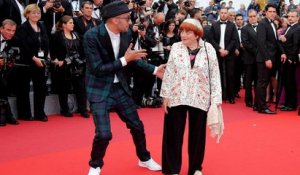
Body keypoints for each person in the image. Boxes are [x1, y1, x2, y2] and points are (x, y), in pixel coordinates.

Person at [83, 1, 164, 175]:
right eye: (127, 19)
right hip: (99, 89)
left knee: (137, 126)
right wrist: (124, 60)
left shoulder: (126, 35)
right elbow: (97, 68)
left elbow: (132, 60)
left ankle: (144, 159)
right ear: (114, 20)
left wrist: (155, 70)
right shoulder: (91, 36)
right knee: (104, 134)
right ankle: (95, 165)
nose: (130, 23)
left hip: (119, 87)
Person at [160, 18, 222, 175]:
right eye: (182, 31)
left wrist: (216, 100)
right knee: (173, 134)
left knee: (197, 136)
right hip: (177, 95)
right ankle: (171, 169)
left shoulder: (208, 49)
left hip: (200, 96)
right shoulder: (176, 47)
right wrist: (165, 95)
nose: (183, 35)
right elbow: (170, 72)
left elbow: (215, 75)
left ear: (197, 34)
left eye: (188, 32)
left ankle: (195, 168)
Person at [15, 4, 49, 121]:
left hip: (41, 62)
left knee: (41, 88)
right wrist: (34, 58)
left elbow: (46, 42)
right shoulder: (22, 28)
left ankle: (40, 113)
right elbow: (23, 46)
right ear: (27, 14)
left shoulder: (42, 26)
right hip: (27, 62)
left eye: (38, 13)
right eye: (33, 13)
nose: (36, 15)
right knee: (23, 89)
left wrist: (46, 55)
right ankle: (25, 114)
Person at [50, 15, 89, 118]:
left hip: (77, 66)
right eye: (70, 23)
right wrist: (56, 60)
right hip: (64, 66)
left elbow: (82, 50)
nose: (73, 24)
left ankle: (83, 109)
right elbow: (52, 51)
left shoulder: (76, 35)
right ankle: (65, 109)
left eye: (73, 22)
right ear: (63, 25)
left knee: (81, 88)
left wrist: (82, 60)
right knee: (64, 88)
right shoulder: (56, 36)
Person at [255, 3, 286, 114]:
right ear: (266, 12)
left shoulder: (272, 24)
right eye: (270, 12)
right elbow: (261, 43)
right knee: (262, 83)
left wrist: (282, 52)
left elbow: (275, 41)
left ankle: (259, 104)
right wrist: (267, 59)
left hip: (270, 58)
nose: (272, 13)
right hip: (264, 59)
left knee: (264, 82)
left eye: (274, 12)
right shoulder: (263, 24)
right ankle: (262, 107)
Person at [209, 7, 239, 104]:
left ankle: (231, 96)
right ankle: (220, 96)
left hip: (229, 53)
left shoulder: (232, 26)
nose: (223, 14)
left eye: (225, 13)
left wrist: (227, 50)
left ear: (227, 14)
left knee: (230, 74)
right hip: (217, 53)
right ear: (219, 13)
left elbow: (234, 40)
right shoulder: (214, 25)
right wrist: (219, 49)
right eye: (222, 13)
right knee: (218, 74)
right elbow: (211, 39)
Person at [278, 10, 300, 111]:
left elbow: (296, 45)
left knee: (290, 82)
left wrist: (291, 58)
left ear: (297, 18)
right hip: (285, 58)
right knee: (286, 82)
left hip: (291, 59)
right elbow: (286, 42)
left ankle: (292, 104)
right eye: (289, 16)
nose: (290, 18)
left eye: (292, 16)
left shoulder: (297, 28)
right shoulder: (288, 28)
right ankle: (287, 102)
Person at [0, 19, 19, 126]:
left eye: (13, 30)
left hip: (4, 70)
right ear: (1, 29)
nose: (11, 33)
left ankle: (7, 115)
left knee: (3, 87)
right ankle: (8, 115)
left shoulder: (14, 39)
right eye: (8, 30)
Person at [241, 9, 258, 108]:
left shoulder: (261, 27)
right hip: (249, 59)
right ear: (248, 17)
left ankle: (257, 100)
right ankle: (248, 101)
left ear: (257, 16)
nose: (253, 18)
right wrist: (258, 52)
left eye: (254, 16)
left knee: (257, 81)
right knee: (248, 81)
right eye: (250, 16)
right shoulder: (245, 29)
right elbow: (246, 43)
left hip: (259, 60)